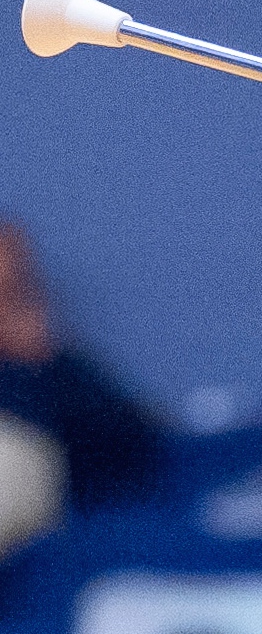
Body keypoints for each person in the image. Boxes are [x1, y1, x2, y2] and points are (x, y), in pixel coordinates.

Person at [0, 218, 164, 510]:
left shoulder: (71, 383)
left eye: (32, 288)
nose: (41, 317)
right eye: (18, 299)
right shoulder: (31, 400)